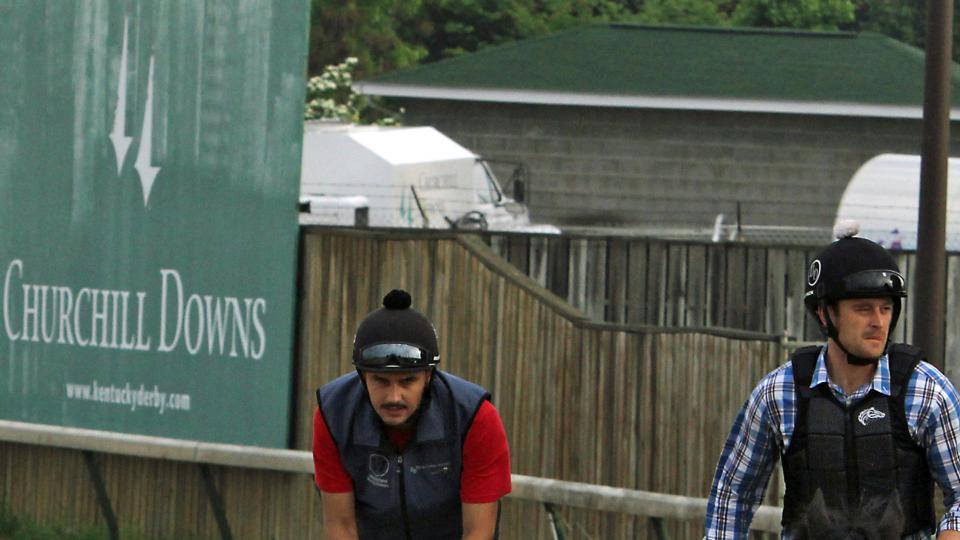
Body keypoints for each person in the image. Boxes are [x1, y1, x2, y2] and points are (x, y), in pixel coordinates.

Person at [704, 223, 960, 539]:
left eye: (886, 308)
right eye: (863, 309)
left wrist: (952, 532)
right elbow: (732, 498)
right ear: (825, 314)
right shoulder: (779, 393)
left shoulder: (927, 392)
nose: (878, 322)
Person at [312, 289, 512, 540]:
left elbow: (478, 532)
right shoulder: (334, 415)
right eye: (381, 381)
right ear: (362, 377)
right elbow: (341, 527)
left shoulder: (475, 417)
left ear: (429, 376)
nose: (394, 397)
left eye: (407, 381)